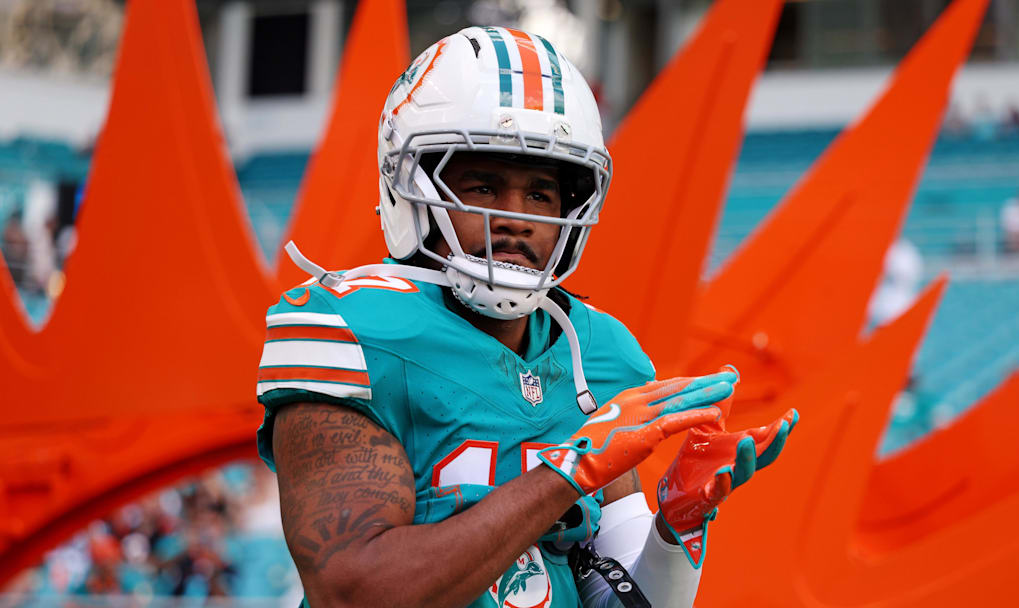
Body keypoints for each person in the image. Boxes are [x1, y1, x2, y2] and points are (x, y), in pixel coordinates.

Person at [255, 27, 796, 608]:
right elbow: (352, 592)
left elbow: (619, 600)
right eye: (484, 186)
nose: (515, 218)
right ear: (409, 186)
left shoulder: (598, 351)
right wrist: (568, 472)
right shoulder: (350, 329)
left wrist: (675, 526)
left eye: (541, 194)